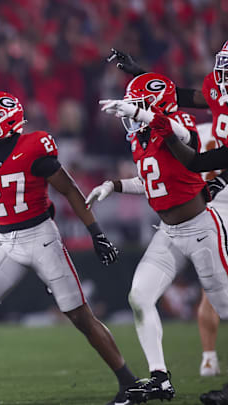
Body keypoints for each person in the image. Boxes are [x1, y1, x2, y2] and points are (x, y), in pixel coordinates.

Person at [0, 91, 138, 405]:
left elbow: (69, 189)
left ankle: (130, 383)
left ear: (8, 121)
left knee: (80, 317)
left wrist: (96, 233)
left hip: (41, 237)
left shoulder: (33, 146)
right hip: (6, 242)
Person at [89, 72, 228, 404]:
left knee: (225, 307)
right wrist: (114, 186)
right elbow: (152, 181)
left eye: (137, 106)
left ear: (153, 107)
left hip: (200, 230)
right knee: (139, 297)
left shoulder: (176, 123)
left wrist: (141, 113)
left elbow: (184, 137)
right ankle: (160, 378)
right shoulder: (141, 137)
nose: (130, 113)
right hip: (168, 233)